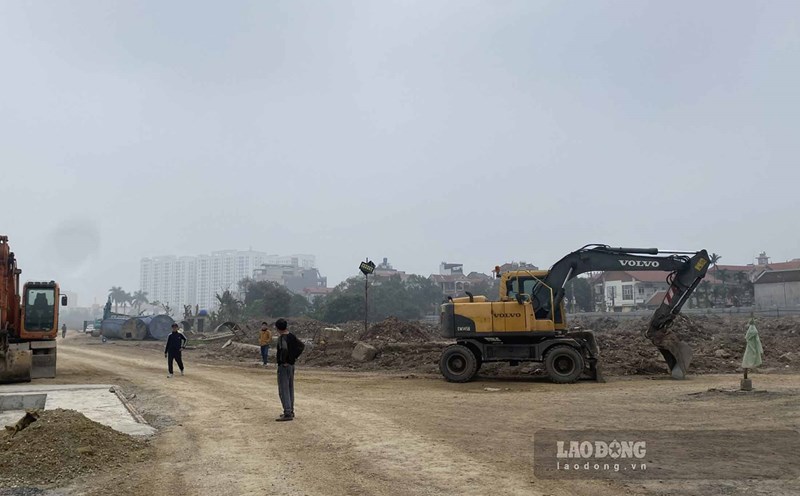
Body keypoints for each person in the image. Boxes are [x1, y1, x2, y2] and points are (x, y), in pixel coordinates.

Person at [275, 318, 304, 421]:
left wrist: (285, 360)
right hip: (291, 366)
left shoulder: (282, 338)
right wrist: (293, 358)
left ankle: (287, 412)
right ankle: (290, 410)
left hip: (284, 366)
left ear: (278, 328)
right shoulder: (292, 336)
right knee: (290, 388)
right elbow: (301, 346)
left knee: (284, 389)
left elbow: (284, 349)